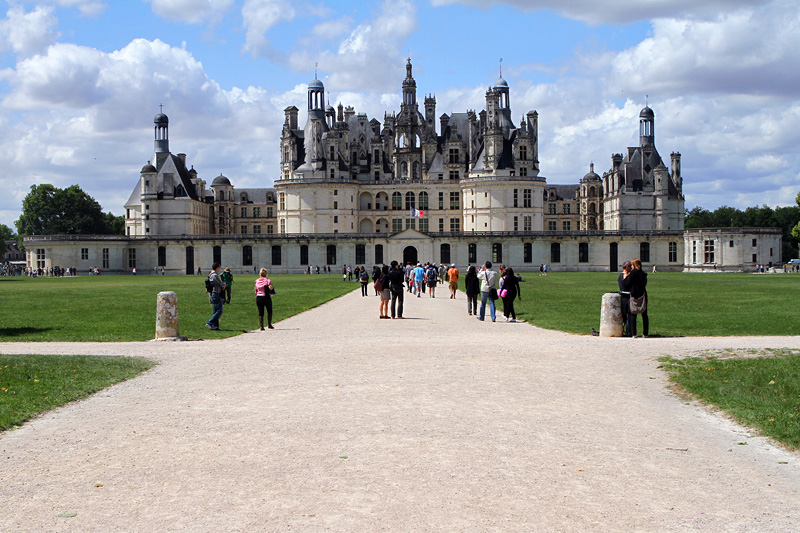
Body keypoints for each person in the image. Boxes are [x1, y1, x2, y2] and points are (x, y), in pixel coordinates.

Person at [624, 258, 648, 338]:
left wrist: (626, 276)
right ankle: (645, 333)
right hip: (643, 294)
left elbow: (627, 284)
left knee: (632, 314)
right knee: (644, 314)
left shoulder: (633, 273)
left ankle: (634, 333)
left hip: (634, 294)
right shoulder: (643, 273)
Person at [205, 262, 226, 330]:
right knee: (220, 310)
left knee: (215, 310)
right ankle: (209, 323)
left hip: (213, 294)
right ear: (217, 267)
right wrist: (224, 284)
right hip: (216, 293)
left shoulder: (211, 274)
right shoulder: (214, 275)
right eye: (219, 267)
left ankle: (215, 326)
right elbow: (220, 284)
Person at [617, 261, 632, 336]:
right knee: (629, 314)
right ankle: (629, 331)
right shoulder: (627, 276)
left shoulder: (620, 276)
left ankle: (626, 330)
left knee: (624, 315)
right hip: (628, 296)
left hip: (623, 296)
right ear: (627, 267)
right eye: (630, 267)